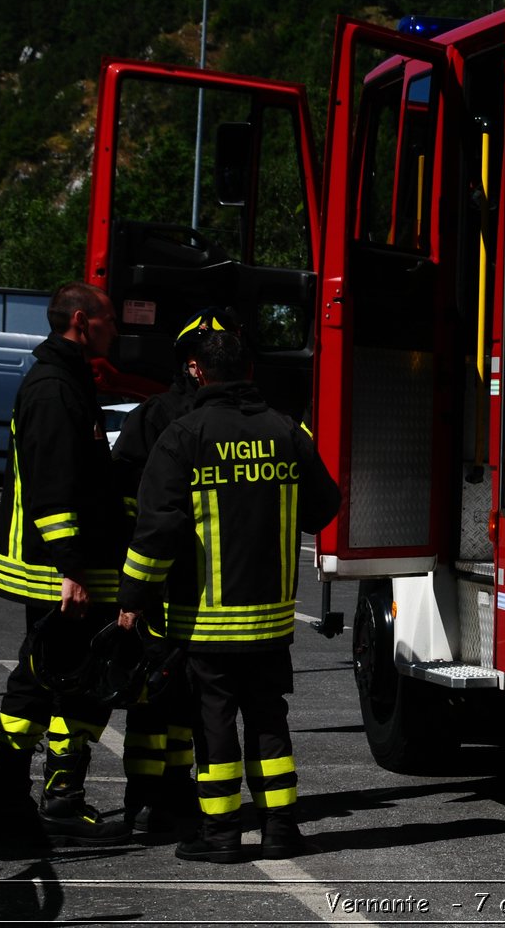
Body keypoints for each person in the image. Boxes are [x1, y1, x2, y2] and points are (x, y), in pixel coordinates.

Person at [118, 327, 341, 863]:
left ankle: (220, 834)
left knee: (213, 724)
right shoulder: (287, 432)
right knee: (269, 719)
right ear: (250, 370)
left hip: (206, 620)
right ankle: (281, 828)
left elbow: (156, 531)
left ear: (198, 369)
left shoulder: (184, 435)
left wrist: (132, 599)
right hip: (271, 620)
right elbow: (323, 507)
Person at [0, 281, 131, 846]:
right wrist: (70, 568)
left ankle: (56, 799)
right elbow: (53, 487)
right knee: (40, 682)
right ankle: (11, 805)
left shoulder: (69, 379)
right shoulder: (51, 388)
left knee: (74, 682)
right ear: (78, 320)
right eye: (108, 319)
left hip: (71, 566)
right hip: (53, 571)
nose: (115, 329)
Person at [111, 308, 236, 834]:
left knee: (156, 693)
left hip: (163, 578)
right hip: (201, 582)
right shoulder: (227, 419)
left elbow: (121, 497)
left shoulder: (152, 417)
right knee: (180, 694)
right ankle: (168, 799)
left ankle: (149, 799)